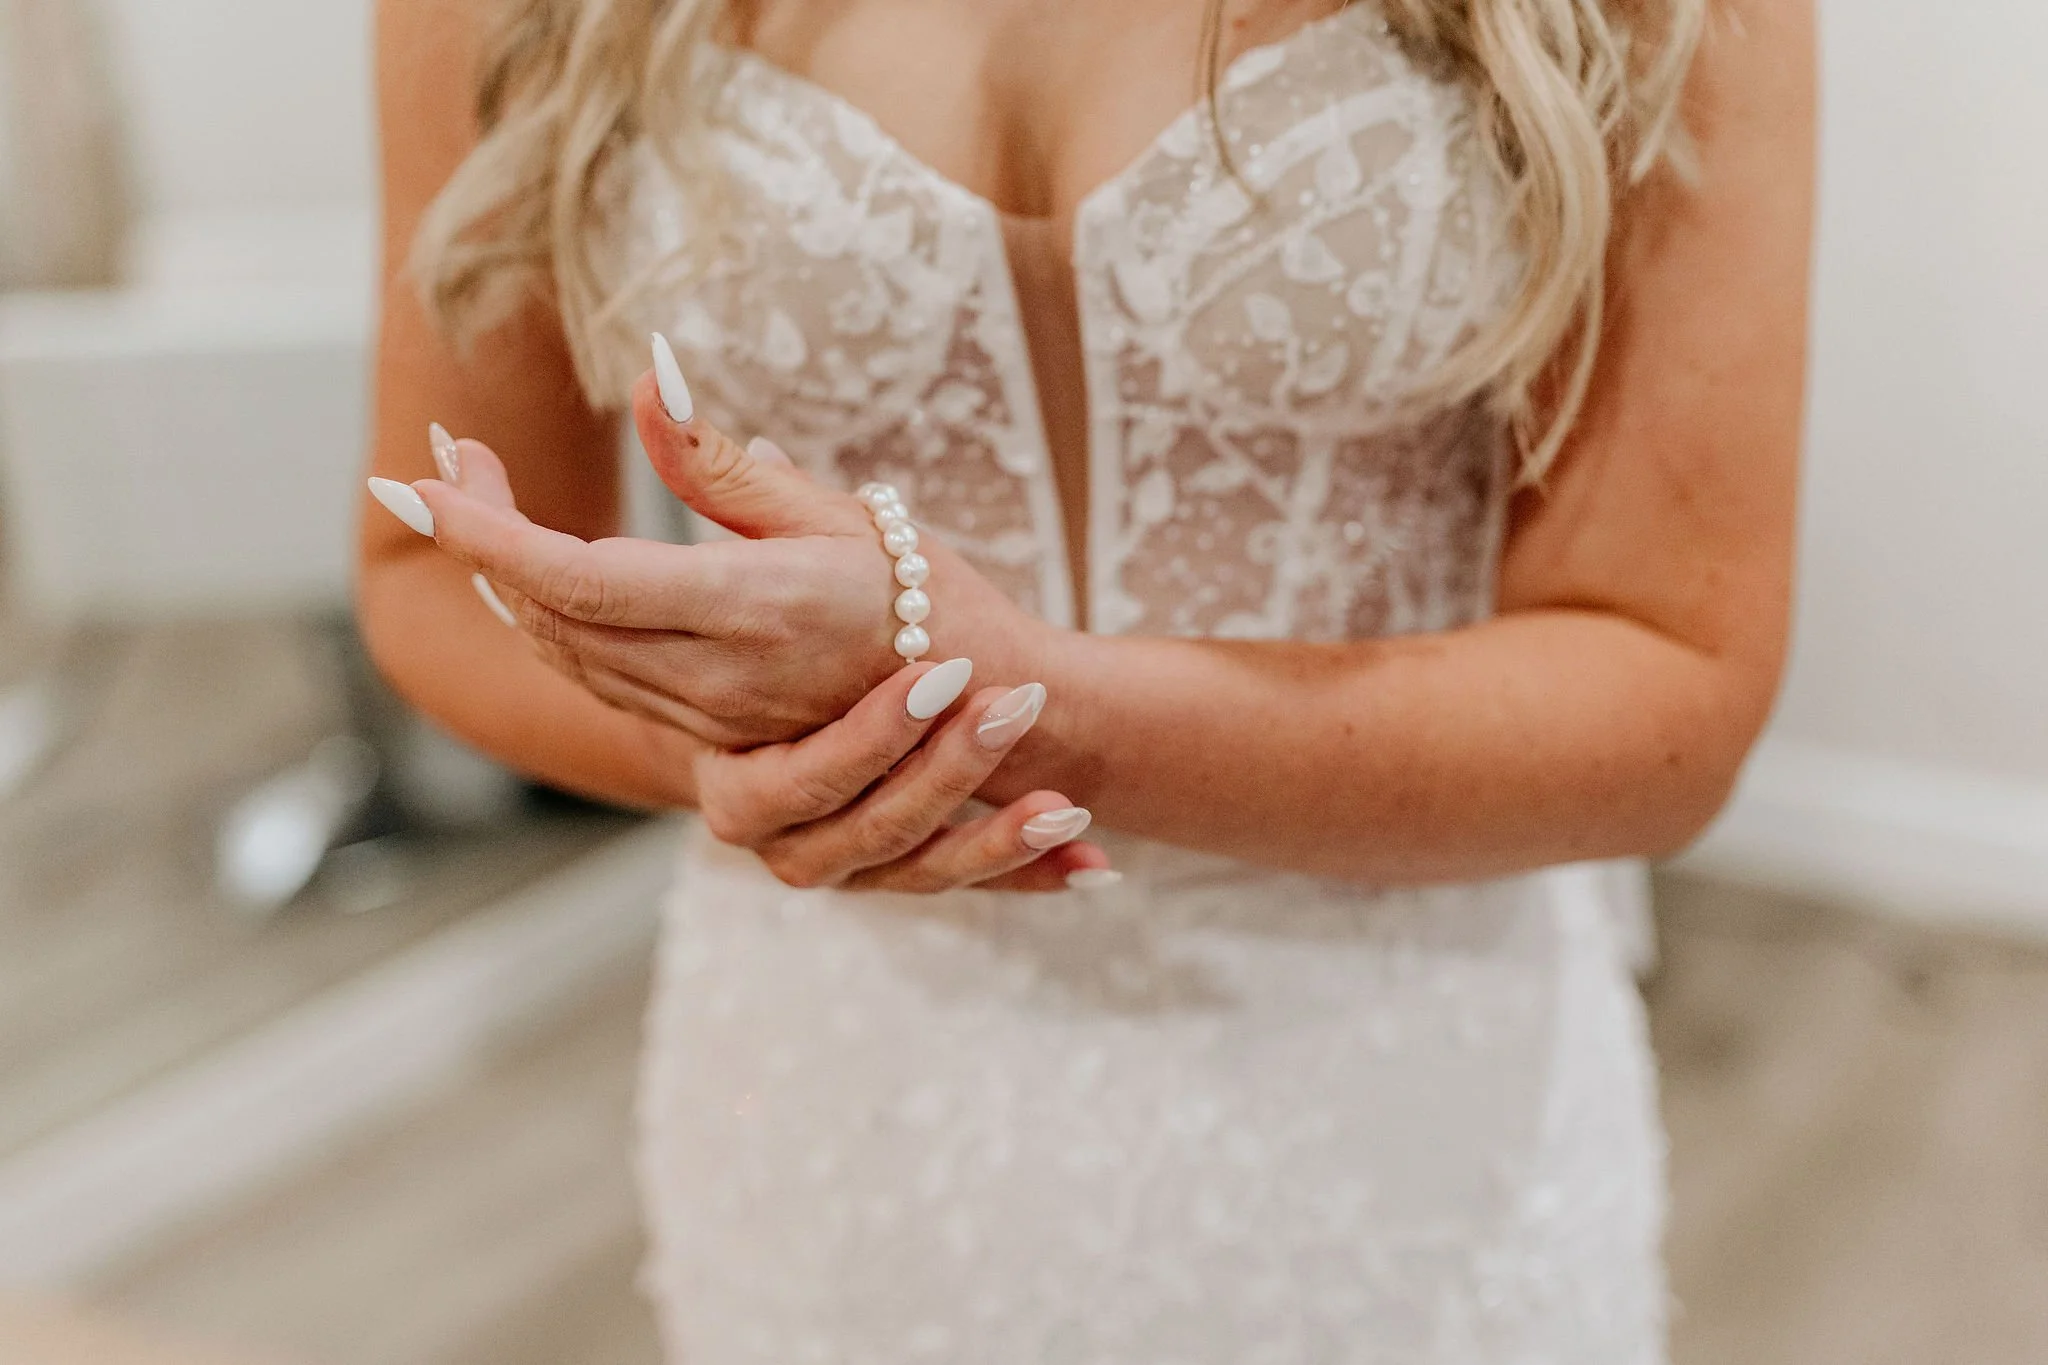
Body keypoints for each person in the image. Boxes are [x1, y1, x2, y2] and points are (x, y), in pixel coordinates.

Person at [359, 0, 1813, 1357]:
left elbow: (1669, 676)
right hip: (836, 1102)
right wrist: (756, 762)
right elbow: (428, 574)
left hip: (1404, 1122)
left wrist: (1041, 713)